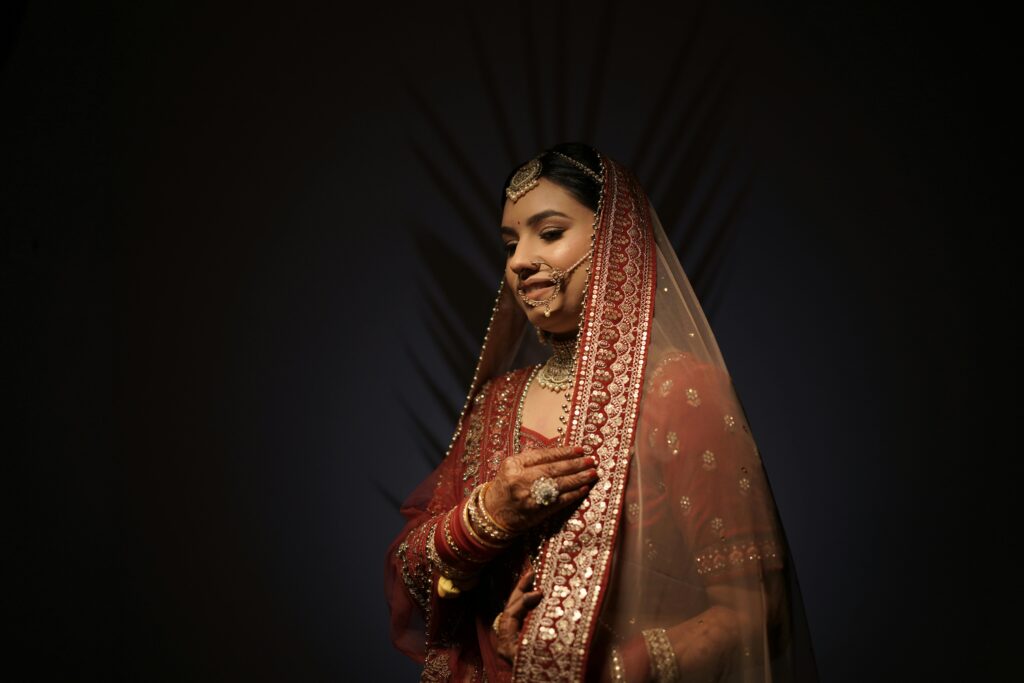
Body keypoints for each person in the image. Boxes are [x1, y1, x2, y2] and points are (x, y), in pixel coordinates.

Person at [385, 143, 818, 682]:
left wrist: (597, 668)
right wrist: (485, 518)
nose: (518, 261)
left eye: (549, 233)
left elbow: (757, 611)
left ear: (616, 243)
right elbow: (419, 580)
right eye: (510, 242)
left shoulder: (678, 390)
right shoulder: (498, 401)